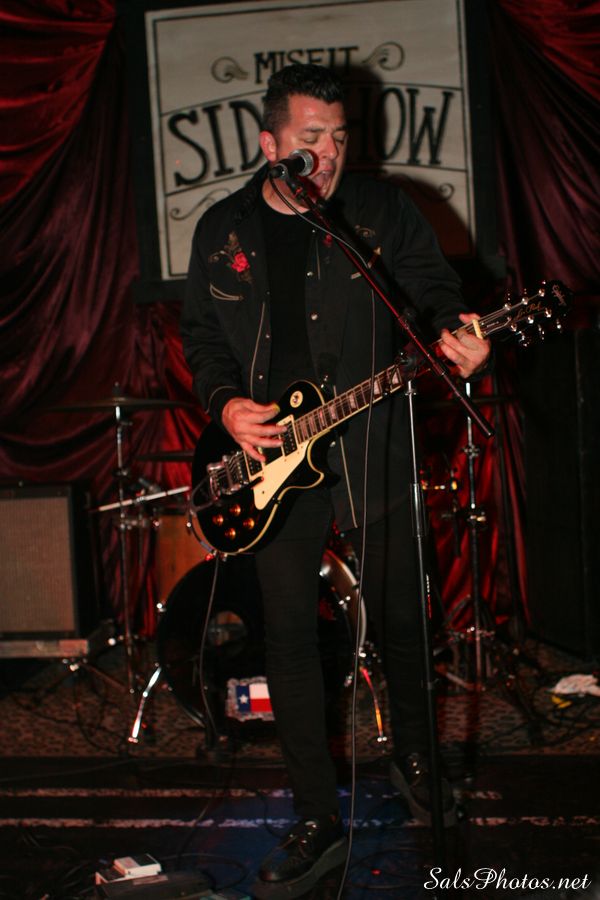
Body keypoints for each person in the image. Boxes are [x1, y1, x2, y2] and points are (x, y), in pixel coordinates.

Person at [181, 63, 490, 898]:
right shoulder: (223, 228)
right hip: (270, 466)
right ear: (269, 143)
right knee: (290, 638)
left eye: (339, 139)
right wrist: (226, 405)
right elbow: (201, 335)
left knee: (403, 623)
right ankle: (316, 814)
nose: (326, 154)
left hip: (372, 443)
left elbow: (433, 294)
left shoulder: (380, 212)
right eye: (310, 138)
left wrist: (459, 333)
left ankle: (419, 766)